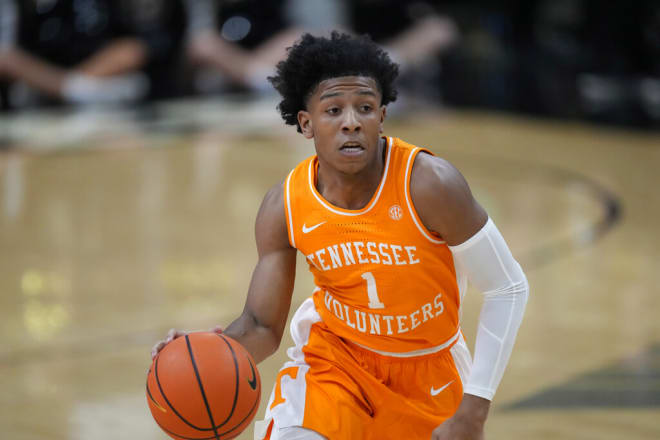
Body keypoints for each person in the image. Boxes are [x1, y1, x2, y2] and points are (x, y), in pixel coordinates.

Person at [152, 31, 529, 440]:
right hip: (334, 365)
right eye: (333, 110)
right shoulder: (285, 205)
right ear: (306, 123)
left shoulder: (429, 184)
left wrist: (474, 410)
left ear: (381, 116)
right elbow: (262, 327)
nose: (351, 121)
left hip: (429, 369)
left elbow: (507, 287)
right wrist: (204, 355)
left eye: (364, 107)